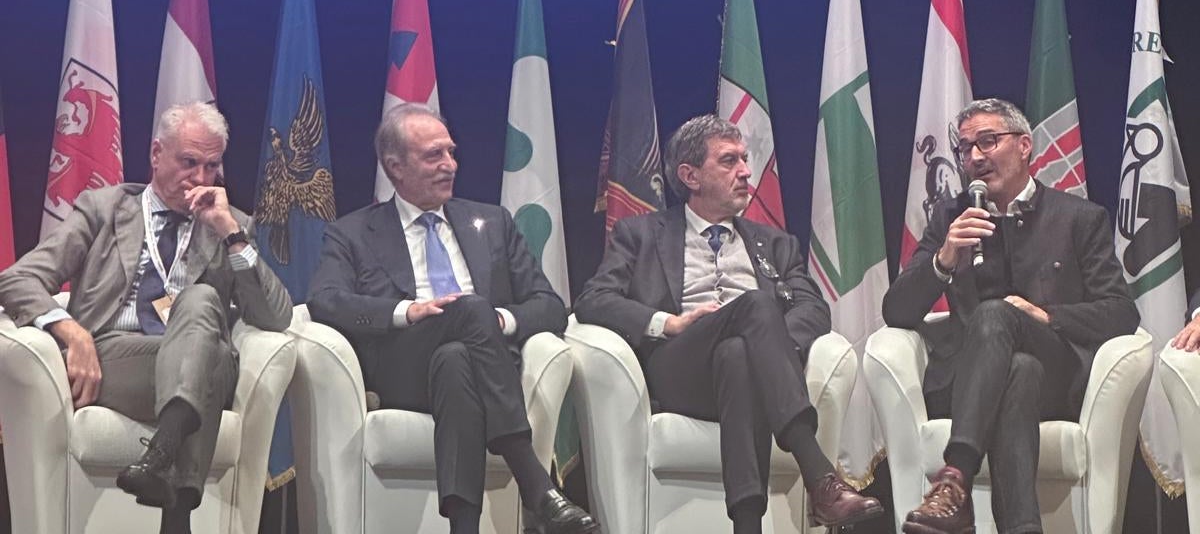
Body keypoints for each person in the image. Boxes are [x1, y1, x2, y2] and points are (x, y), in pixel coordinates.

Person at [574, 114, 883, 533]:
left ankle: (747, 525)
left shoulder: (775, 242)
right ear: (690, 175)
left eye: (745, 159)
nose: (745, 171)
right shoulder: (641, 233)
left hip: (744, 371)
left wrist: (767, 347)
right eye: (729, 161)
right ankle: (820, 478)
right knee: (756, 305)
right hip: (678, 368)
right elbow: (592, 300)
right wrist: (668, 323)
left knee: (738, 352)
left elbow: (813, 309)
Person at [0, 102, 293, 534]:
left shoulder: (230, 224)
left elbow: (276, 316)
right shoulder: (104, 208)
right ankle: (177, 518)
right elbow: (17, 279)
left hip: (203, 359)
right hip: (116, 359)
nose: (199, 177)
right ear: (157, 154)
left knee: (200, 300)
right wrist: (71, 332)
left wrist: (229, 232)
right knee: (204, 343)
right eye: (188, 162)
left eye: (211, 166)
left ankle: (160, 456)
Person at [306, 103, 596, 534]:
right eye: (433, 156)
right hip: (402, 369)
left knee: (458, 356)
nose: (450, 165)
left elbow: (550, 305)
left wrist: (498, 321)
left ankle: (464, 526)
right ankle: (535, 481)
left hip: (477, 364)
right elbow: (323, 301)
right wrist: (406, 312)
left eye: (451, 152)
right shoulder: (352, 232)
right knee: (468, 311)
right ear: (395, 167)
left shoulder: (492, 222)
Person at [883, 98, 1139, 534]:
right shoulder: (950, 217)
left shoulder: (1079, 218)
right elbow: (896, 312)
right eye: (965, 149)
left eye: (987, 141)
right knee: (1019, 370)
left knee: (997, 316)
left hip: (1058, 374)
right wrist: (944, 258)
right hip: (970, 380)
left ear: (1024, 146)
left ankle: (954, 477)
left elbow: (1121, 312)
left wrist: (1045, 314)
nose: (975, 158)